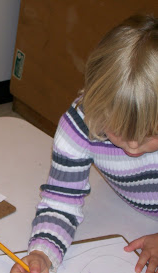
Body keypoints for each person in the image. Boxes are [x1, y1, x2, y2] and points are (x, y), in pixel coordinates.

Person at [11, 14, 158, 273]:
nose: (133, 147)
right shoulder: (81, 126)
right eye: (119, 131)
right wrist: (42, 253)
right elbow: (61, 201)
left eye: (151, 135)